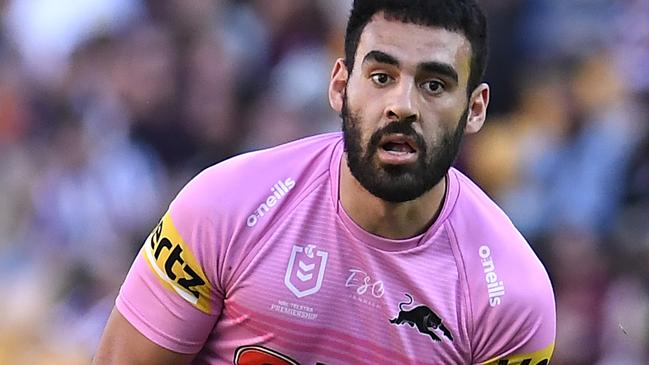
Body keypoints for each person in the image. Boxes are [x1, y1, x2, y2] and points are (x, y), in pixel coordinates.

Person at [93, 0, 556, 364]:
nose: (402, 105)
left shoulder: (511, 299)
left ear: (475, 109)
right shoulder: (222, 206)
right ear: (340, 85)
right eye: (381, 76)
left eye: (434, 85)